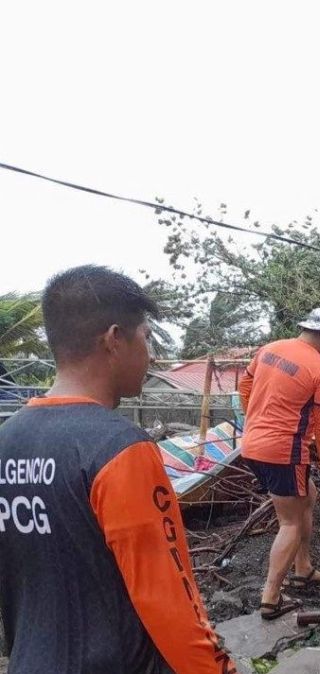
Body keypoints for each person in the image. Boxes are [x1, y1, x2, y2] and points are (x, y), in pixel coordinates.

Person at [0, 265, 235, 673]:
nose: (152, 354)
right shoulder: (119, 449)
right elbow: (169, 602)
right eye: (145, 337)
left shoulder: (7, 439)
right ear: (113, 340)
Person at [238, 307, 320, 620]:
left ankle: (303, 569)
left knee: (308, 497)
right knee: (290, 520)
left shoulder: (269, 350)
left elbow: (245, 388)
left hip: (252, 445)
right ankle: (271, 598)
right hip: (284, 452)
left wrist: (258, 418)